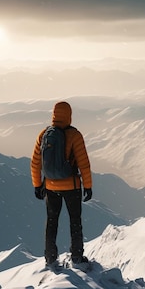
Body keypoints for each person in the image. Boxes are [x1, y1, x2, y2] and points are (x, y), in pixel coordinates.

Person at [30, 101, 93, 266]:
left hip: (50, 187)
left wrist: (37, 185)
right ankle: (77, 257)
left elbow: (35, 163)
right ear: (69, 115)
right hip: (72, 187)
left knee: (52, 222)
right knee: (75, 221)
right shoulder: (74, 135)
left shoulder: (44, 134)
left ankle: (50, 257)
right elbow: (84, 163)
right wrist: (88, 186)